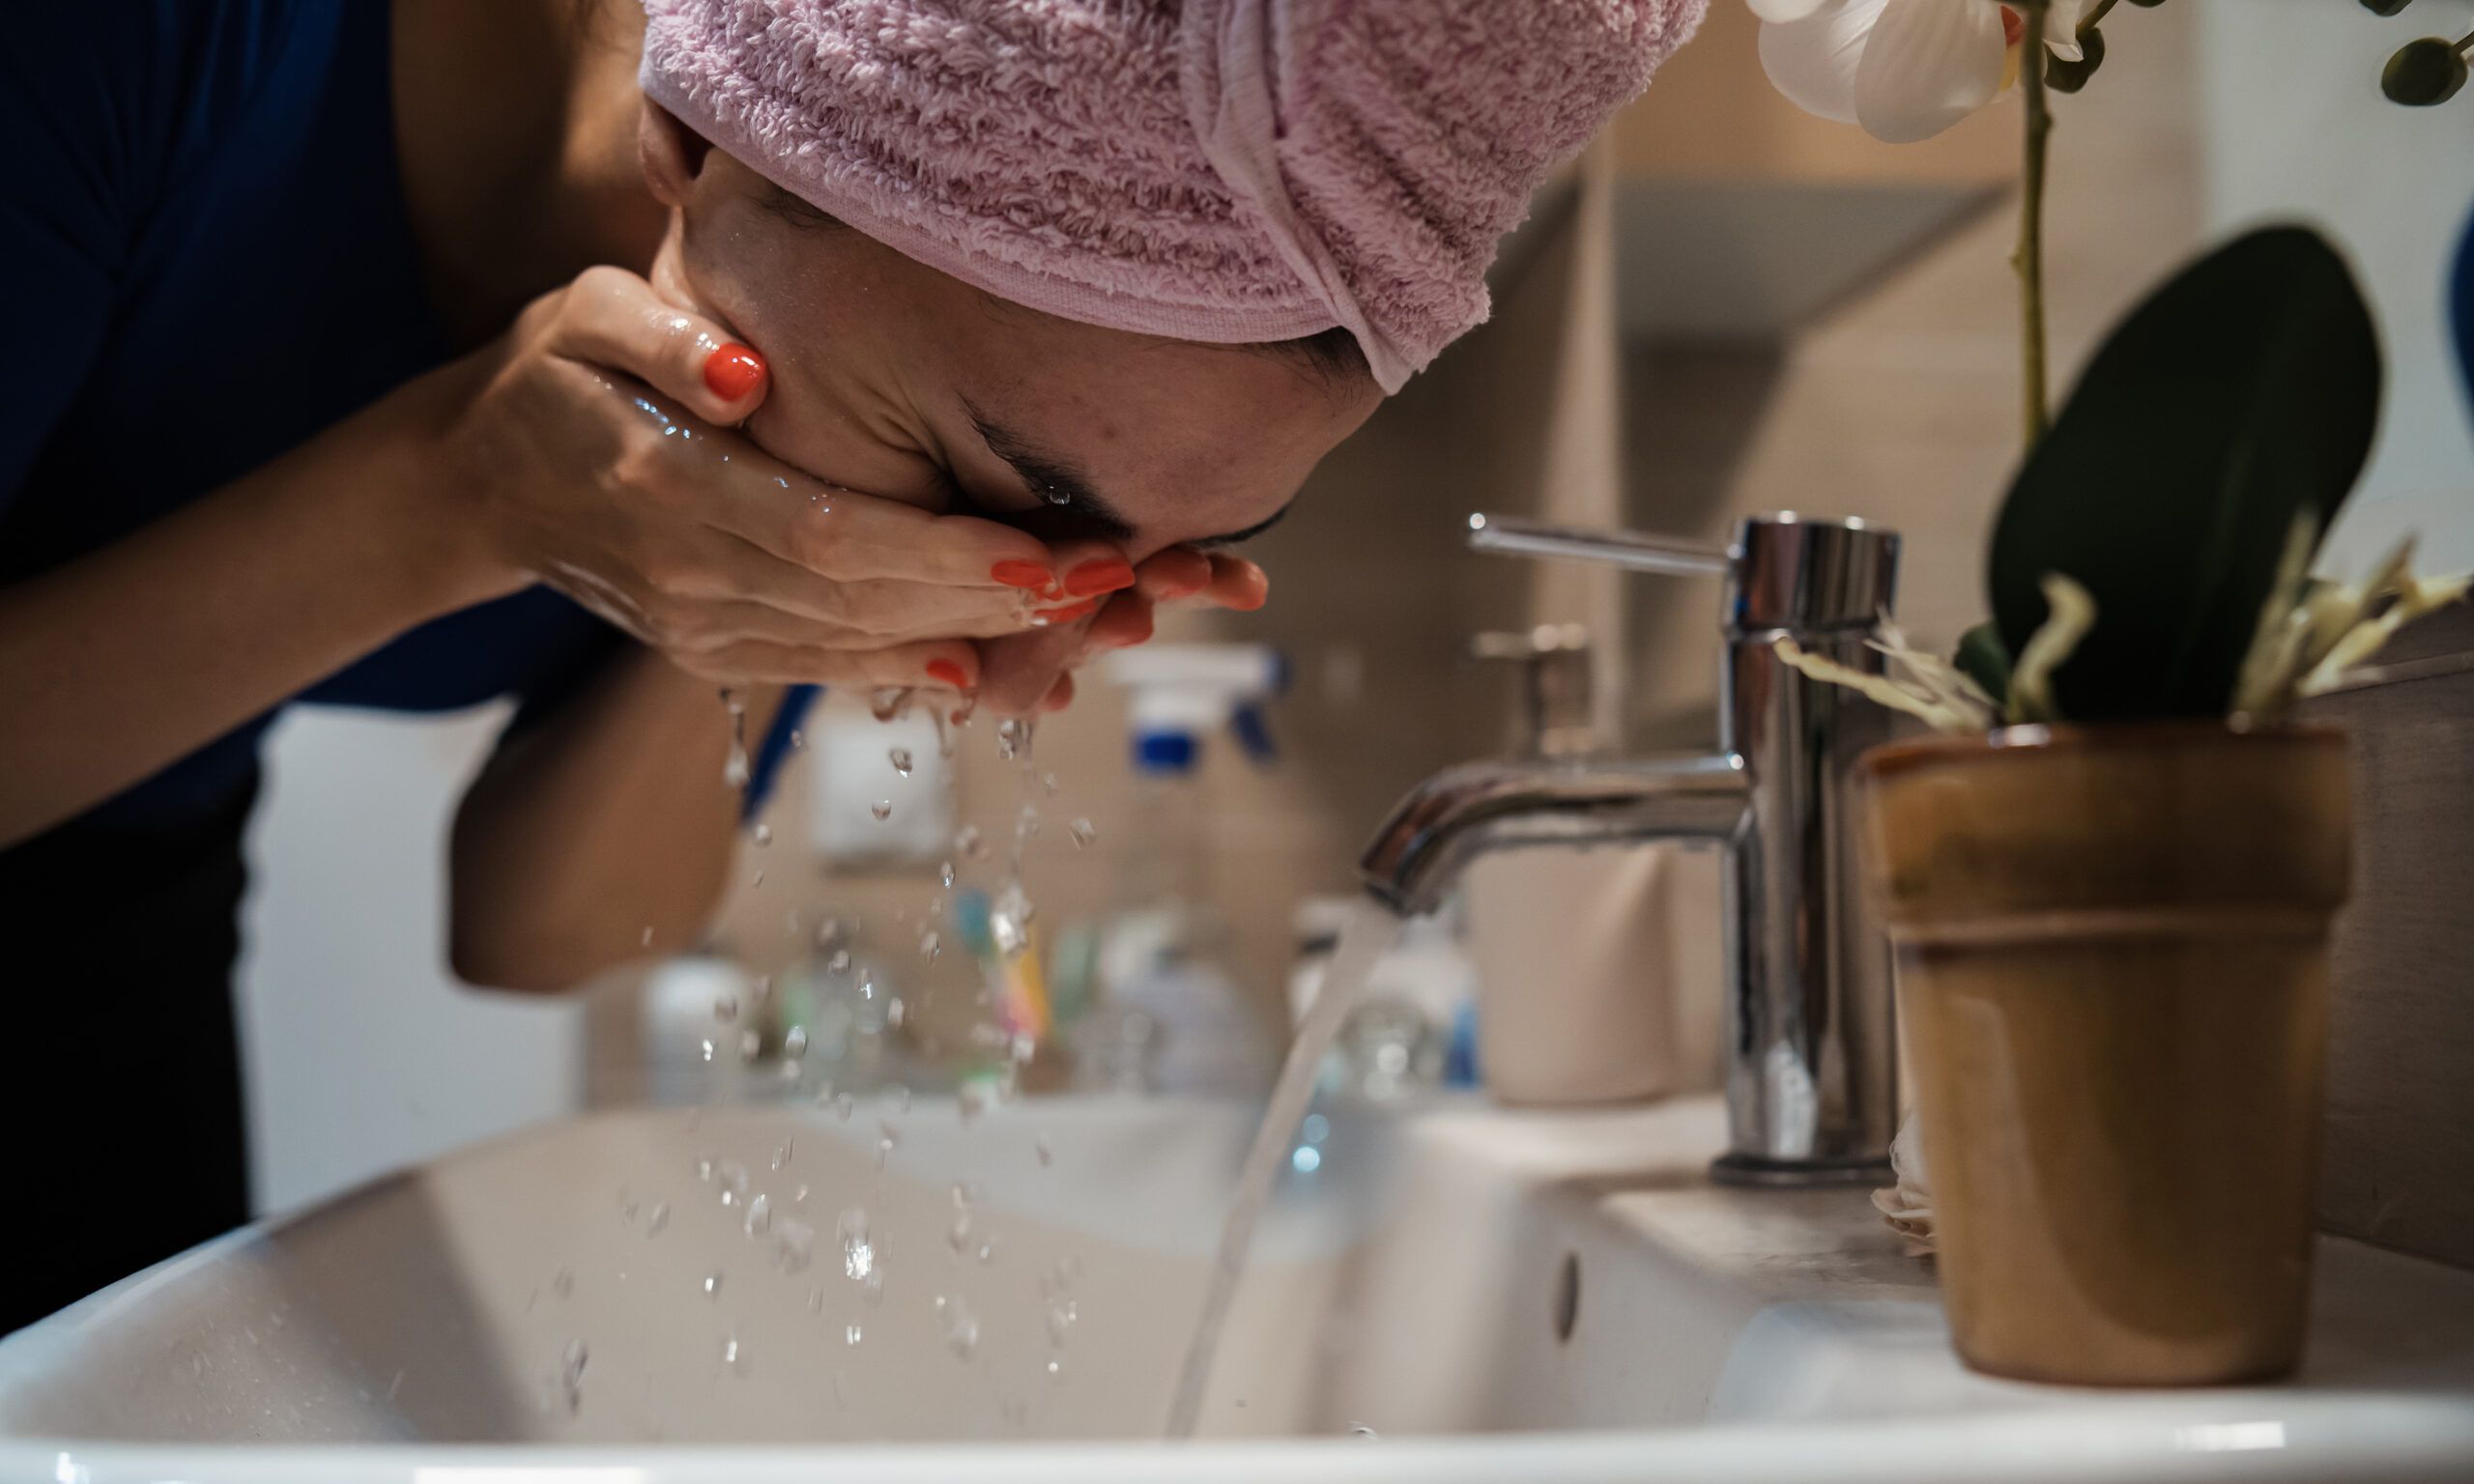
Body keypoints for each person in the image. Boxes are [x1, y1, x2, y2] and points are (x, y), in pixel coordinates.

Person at [0, 0, 1704, 1330]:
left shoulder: (807, 343)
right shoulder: (134, 45)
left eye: (1105, 572)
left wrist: (772, 606)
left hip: (116, 948)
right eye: (998, 488)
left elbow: (539, 934)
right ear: (697, 119)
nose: (1033, 656)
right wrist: (448, 494)